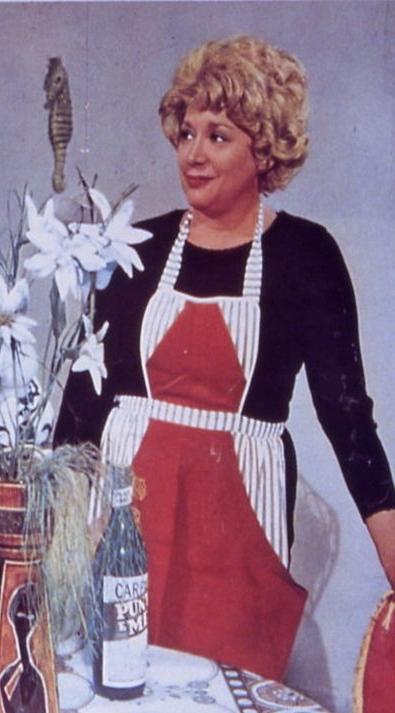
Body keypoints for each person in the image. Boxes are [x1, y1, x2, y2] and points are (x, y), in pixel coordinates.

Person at [56, 36, 395, 680]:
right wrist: (49, 538)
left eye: (218, 136)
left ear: (263, 150)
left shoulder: (306, 256)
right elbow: (82, 402)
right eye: (187, 133)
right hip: (124, 518)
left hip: (238, 533)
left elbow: (349, 419)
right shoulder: (138, 248)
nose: (194, 153)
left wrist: (392, 556)